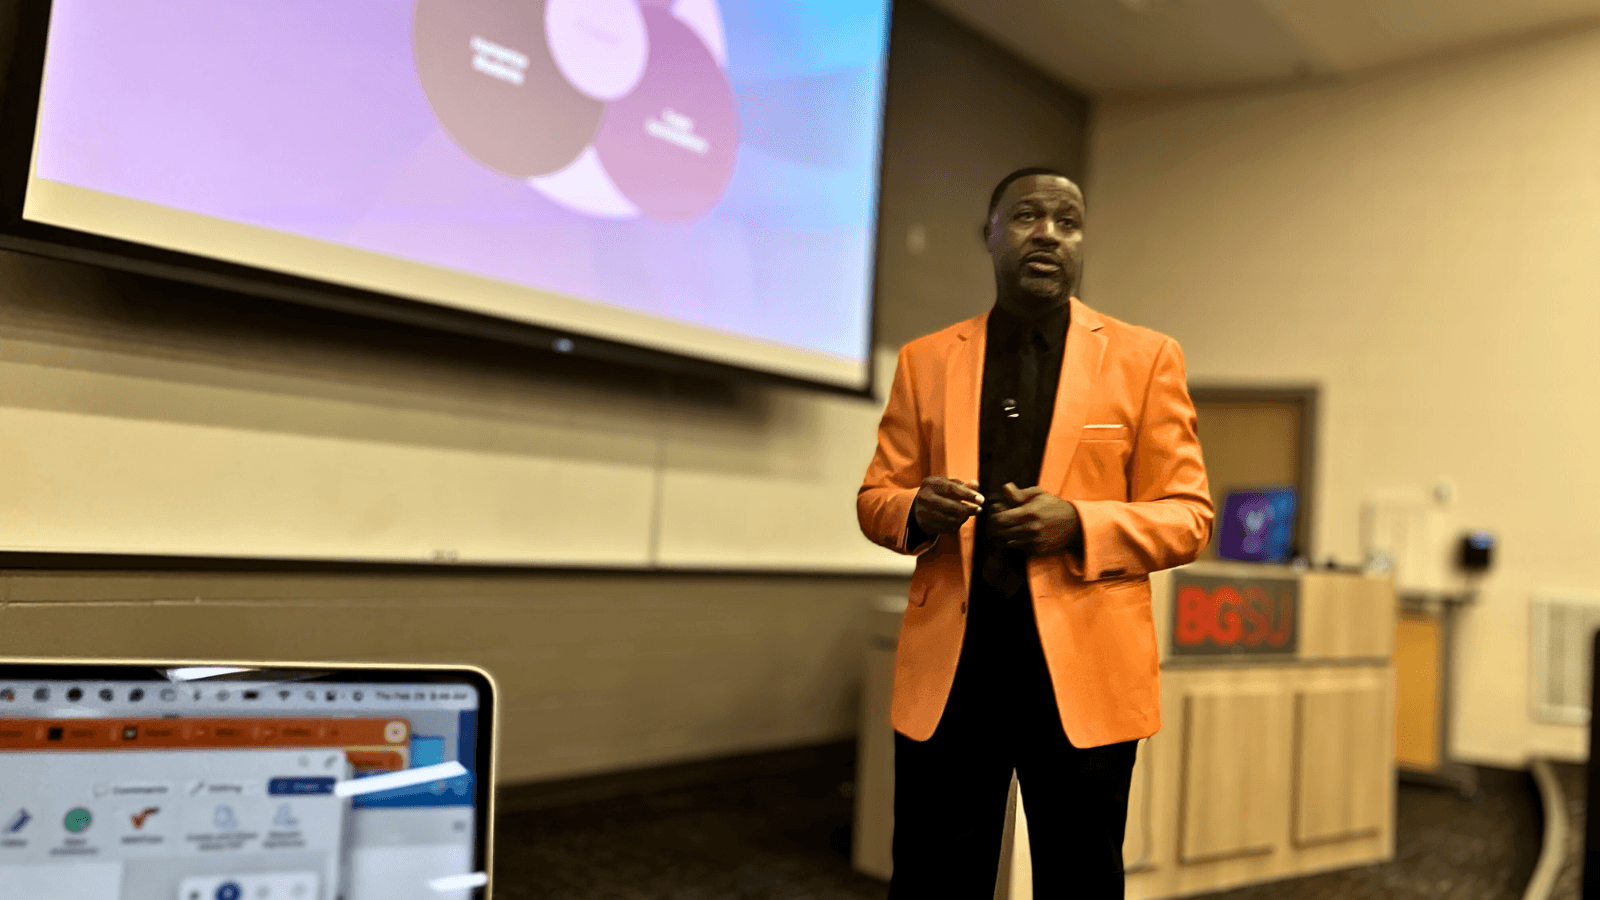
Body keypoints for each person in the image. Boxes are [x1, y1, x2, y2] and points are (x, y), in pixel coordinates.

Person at [857, 168, 1213, 898]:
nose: (1048, 234)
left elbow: (1188, 516)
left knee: (1080, 880)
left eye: (1068, 222)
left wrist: (1079, 522)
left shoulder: (1146, 358)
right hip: (955, 672)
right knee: (931, 878)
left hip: (1084, 671)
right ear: (988, 235)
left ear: (1082, 243)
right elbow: (875, 500)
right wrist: (917, 511)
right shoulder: (925, 360)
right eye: (1026, 216)